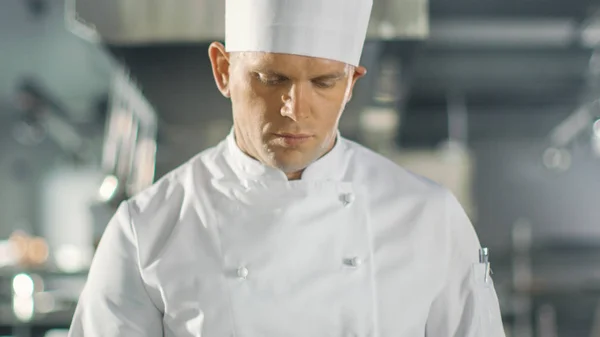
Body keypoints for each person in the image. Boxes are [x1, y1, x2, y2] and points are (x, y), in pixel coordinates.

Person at [68, 0, 506, 336]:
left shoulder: (430, 218)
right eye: (271, 78)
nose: (296, 110)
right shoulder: (145, 231)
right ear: (223, 69)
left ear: (352, 82)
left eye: (324, 82)